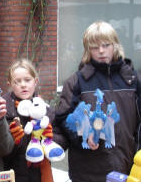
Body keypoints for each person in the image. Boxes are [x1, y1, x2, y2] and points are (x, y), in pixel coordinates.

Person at [54, 20, 141, 182]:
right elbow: (63, 118)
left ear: (115, 45)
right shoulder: (76, 82)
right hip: (90, 170)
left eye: (106, 45)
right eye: (94, 47)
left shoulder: (132, 79)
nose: (101, 51)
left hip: (130, 167)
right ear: (88, 50)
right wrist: (83, 136)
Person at [3, 58, 62, 182]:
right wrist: (17, 139)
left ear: (35, 82)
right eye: (17, 81)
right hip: (14, 173)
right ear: (10, 85)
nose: (23, 84)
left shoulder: (46, 110)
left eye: (27, 80)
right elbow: (1, 149)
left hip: (40, 174)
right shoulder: (5, 111)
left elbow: (60, 136)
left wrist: (48, 139)